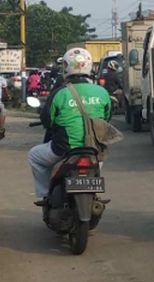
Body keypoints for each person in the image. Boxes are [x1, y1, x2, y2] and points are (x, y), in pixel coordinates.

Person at [27, 47, 112, 206]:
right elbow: (106, 118)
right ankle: (94, 192)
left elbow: (47, 121)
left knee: (34, 156)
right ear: (88, 66)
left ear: (66, 66)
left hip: (63, 148)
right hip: (94, 149)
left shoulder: (60, 93)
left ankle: (45, 194)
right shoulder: (102, 92)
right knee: (99, 160)